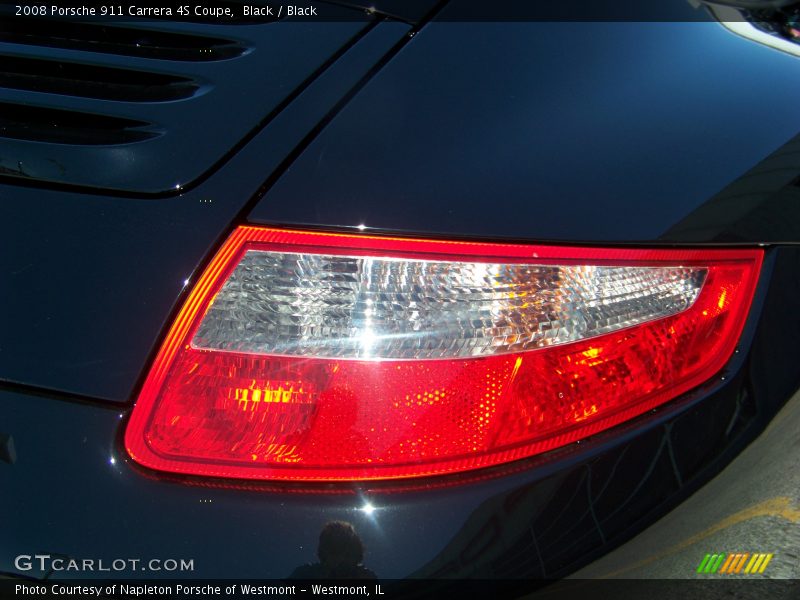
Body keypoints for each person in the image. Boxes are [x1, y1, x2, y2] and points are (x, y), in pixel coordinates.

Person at [289, 521, 377, 580]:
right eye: (335, 551)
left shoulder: (366, 578)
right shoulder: (305, 575)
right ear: (324, 554)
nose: (341, 559)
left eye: (348, 554)